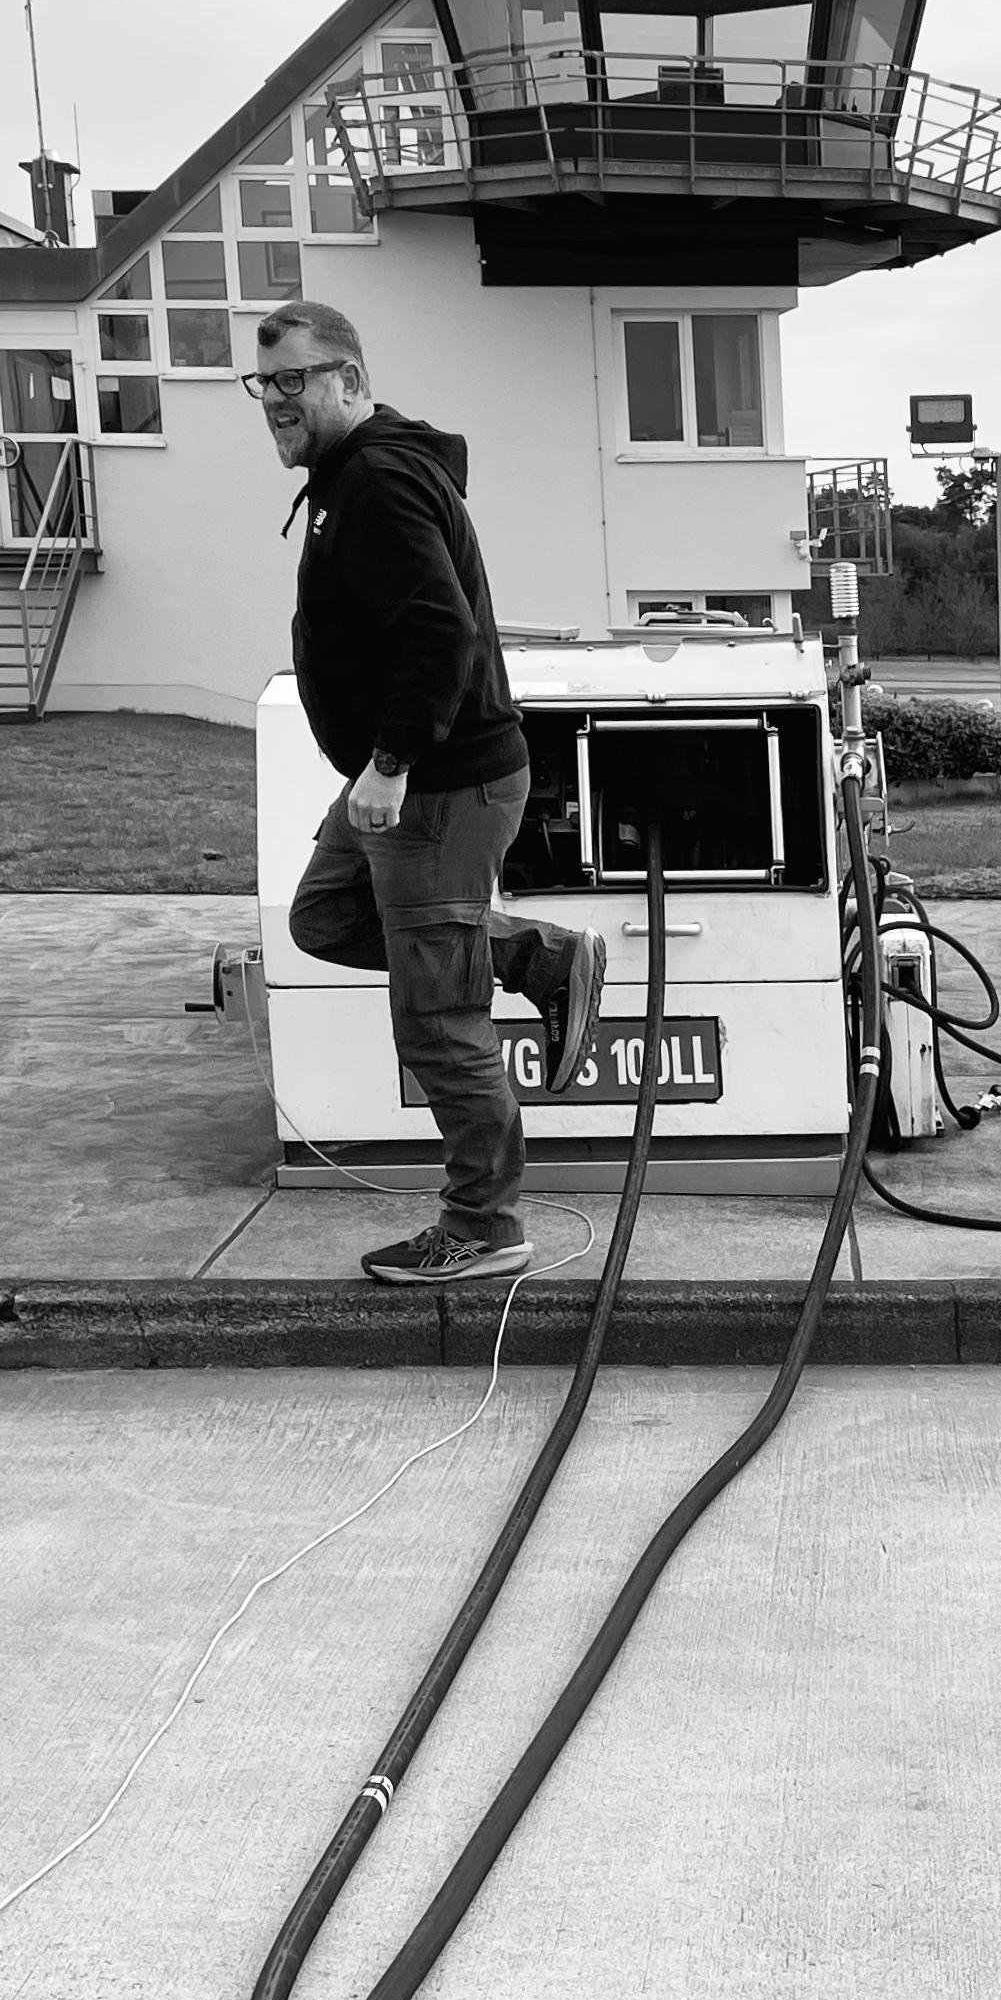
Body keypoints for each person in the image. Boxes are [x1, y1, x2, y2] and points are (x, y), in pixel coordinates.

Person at [256, 300, 602, 1285]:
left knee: (436, 1017)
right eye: (264, 383)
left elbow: (438, 634)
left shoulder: (376, 481)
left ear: (351, 381)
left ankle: (484, 1226)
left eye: (296, 380)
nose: (277, 400)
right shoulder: (347, 479)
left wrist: (392, 762)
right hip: (404, 784)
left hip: (433, 788)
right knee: (324, 918)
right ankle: (529, 955)